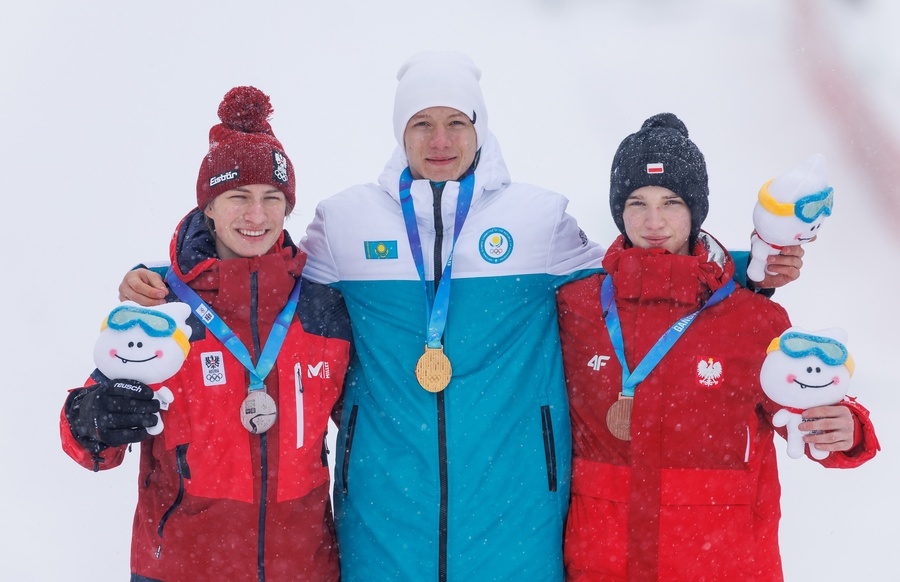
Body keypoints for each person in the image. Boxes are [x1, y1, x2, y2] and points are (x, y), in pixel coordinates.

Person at [118, 54, 805, 581]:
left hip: (515, 520)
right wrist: (176, 277)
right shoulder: (348, 223)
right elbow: (261, 281)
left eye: (455, 122)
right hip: (385, 517)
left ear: (479, 127)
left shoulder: (538, 222)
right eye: (421, 123)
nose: (439, 139)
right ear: (400, 133)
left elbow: (642, 275)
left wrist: (744, 266)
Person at [556, 113, 879, 582]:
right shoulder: (576, 310)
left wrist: (846, 428)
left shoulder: (752, 321)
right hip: (601, 564)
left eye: (671, 202)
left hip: (720, 565)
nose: (653, 221)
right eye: (636, 202)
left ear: (696, 209)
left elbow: (803, 406)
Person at [60, 86, 352, 582]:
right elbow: (92, 447)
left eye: (272, 199)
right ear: (209, 207)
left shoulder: (324, 309)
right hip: (181, 566)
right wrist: (89, 417)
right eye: (237, 197)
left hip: (303, 567)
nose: (256, 216)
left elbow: (371, 426)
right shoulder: (164, 306)